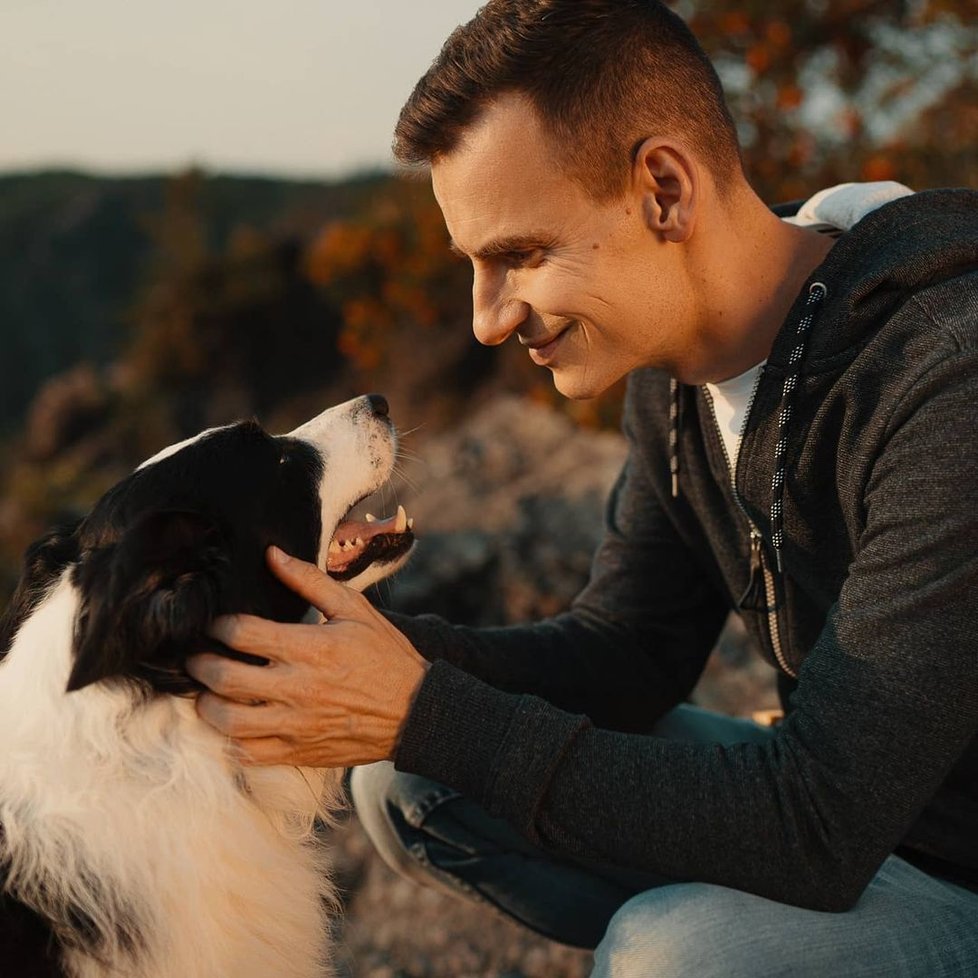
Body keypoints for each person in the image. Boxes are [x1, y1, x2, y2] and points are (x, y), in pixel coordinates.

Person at [186, 1, 978, 974]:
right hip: (860, 818)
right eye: (474, 266)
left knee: (674, 956)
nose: (485, 320)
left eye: (517, 255)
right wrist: (361, 661)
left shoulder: (944, 376)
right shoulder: (678, 370)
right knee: (408, 779)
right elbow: (626, 655)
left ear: (663, 190)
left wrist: (425, 709)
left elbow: (817, 826)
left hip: (936, 862)